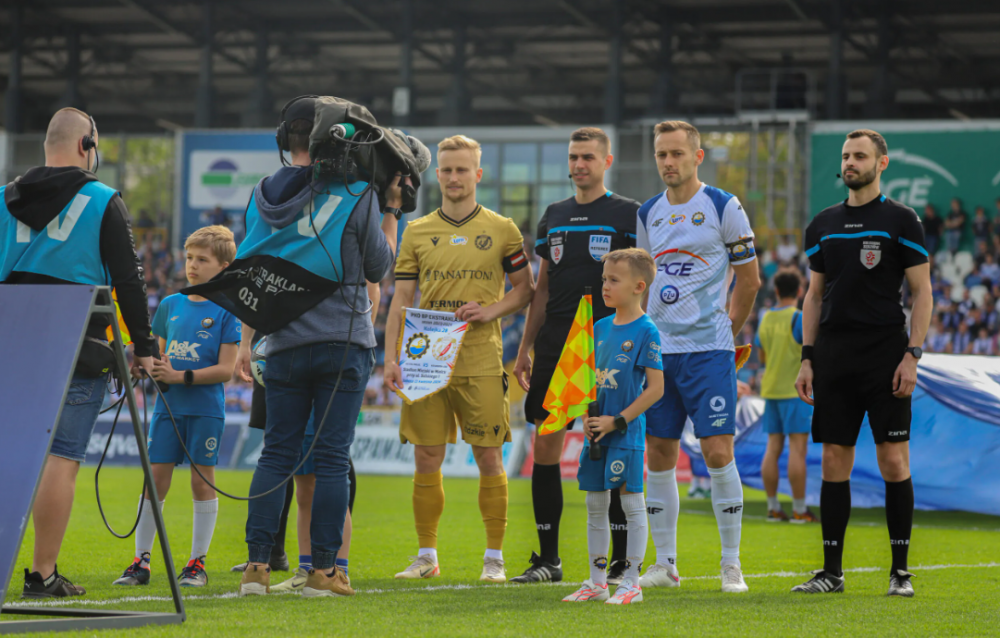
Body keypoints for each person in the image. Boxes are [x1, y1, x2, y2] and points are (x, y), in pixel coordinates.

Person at [230, 97, 401, 598]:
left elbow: (249, 265)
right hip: (342, 341)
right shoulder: (356, 192)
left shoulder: (262, 193)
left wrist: (248, 337)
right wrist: (390, 208)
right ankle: (324, 572)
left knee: (276, 454)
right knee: (331, 457)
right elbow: (377, 268)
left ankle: (256, 568)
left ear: (287, 141)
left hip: (282, 341)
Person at [0, 108, 155, 598]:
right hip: (77, 346)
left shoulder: (3, 200)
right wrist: (145, 347)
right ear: (87, 145)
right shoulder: (102, 200)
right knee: (61, 459)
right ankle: (42, 574)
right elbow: (129, 281)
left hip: (11, 345)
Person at [384, 135, 534, 584]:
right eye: (446, 170)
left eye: (461, 170)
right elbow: (401, 298)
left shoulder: (504, 229)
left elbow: (526, 290)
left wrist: (490, 310)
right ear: (438, 175)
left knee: (488, 456)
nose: (453, 177)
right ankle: (426, 555)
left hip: (481, 357)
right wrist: (391, 357)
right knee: (426, 455)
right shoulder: (416, 230)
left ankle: (494, 559)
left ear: (477, 175)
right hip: (424, 354)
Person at [793, 128, 932, 597]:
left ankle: (900, 572)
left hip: (885, 354)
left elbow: (922, 292)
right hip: (833, 355)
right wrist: (807, 358)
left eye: (860, 155)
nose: (850, 162)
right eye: (846, 155)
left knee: (893, 460)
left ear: (882, 162)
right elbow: (814, 296)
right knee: (834, 459)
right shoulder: (823, 223)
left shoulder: (902, 219)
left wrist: (912, 355)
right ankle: (831, 572)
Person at [635, 120, 761, 593]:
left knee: (716, 451)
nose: (669, 162)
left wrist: (726, 333)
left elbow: (749, 280)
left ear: (697, 156)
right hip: (658, 352)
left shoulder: (723, 206)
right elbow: (641, 283)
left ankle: (731, 564)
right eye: (661, 154)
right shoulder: (648, 213)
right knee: (660, 453)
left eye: (677, 154)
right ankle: (665, 565)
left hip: (709, 351)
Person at [511, 127, 640, 584]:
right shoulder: (554, 215)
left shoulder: (628, 213)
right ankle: (548, 559)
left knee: (613, 451)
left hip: (609, 347)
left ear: (606, 162)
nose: (579, 164)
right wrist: (525, 348)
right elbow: (542, 288)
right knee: (546, 446)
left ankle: (623, 563)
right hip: (556, 347)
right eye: (573, 156)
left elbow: (642, 283)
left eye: (588, 156)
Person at [112, 226, 240, 587]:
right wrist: (146, 366)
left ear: (224, 266)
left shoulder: (228, 310)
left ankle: (196, 564)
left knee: (202, 484)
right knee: (155, 481)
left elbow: (226, 370)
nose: (192, 266)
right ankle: (141, 562)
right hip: (167, 409)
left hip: (206, 410)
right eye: (189, 258)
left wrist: (180, 375)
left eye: (203, 259)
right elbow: (157, 356)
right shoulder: (170, 305)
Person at [561, 249, 663, 605]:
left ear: (638, 286)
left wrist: (617, 421)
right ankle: (596, 581)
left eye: (613, 280)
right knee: (595, 505)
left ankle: (631, 581)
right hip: (595, 435)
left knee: (632, 505)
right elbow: (587, 382)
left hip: (625, 436)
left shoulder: (647, 330)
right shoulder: (599, 328)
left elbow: (656, 388)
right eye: (604, 278)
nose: (605, 285)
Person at [754, 270, 819, 524]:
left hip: (770, 389)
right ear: (800, 291)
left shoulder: (766, 317)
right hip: (795, 391)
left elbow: (761, 357)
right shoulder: (799, 318)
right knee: (797, 450)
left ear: (777, 291)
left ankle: (772, 507)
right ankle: (800, 509)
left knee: (772, 448)